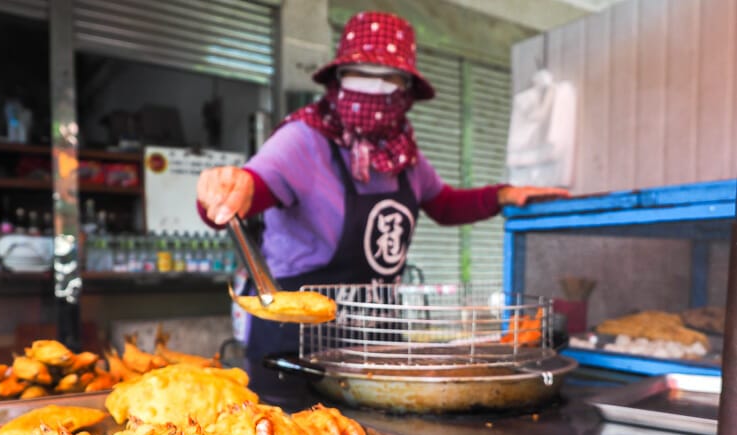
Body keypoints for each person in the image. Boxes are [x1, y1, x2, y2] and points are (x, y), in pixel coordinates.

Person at [197, 11, 569, 367]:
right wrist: (227, 191)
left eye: (389, 78)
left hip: (376, 340)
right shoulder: (303, 141)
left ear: (407, 91)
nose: (374, 87)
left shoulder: (403, 154)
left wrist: (503, 196)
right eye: (359, 74)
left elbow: (443, 204)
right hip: (295, 346)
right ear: (337, 80)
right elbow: (246, 192)